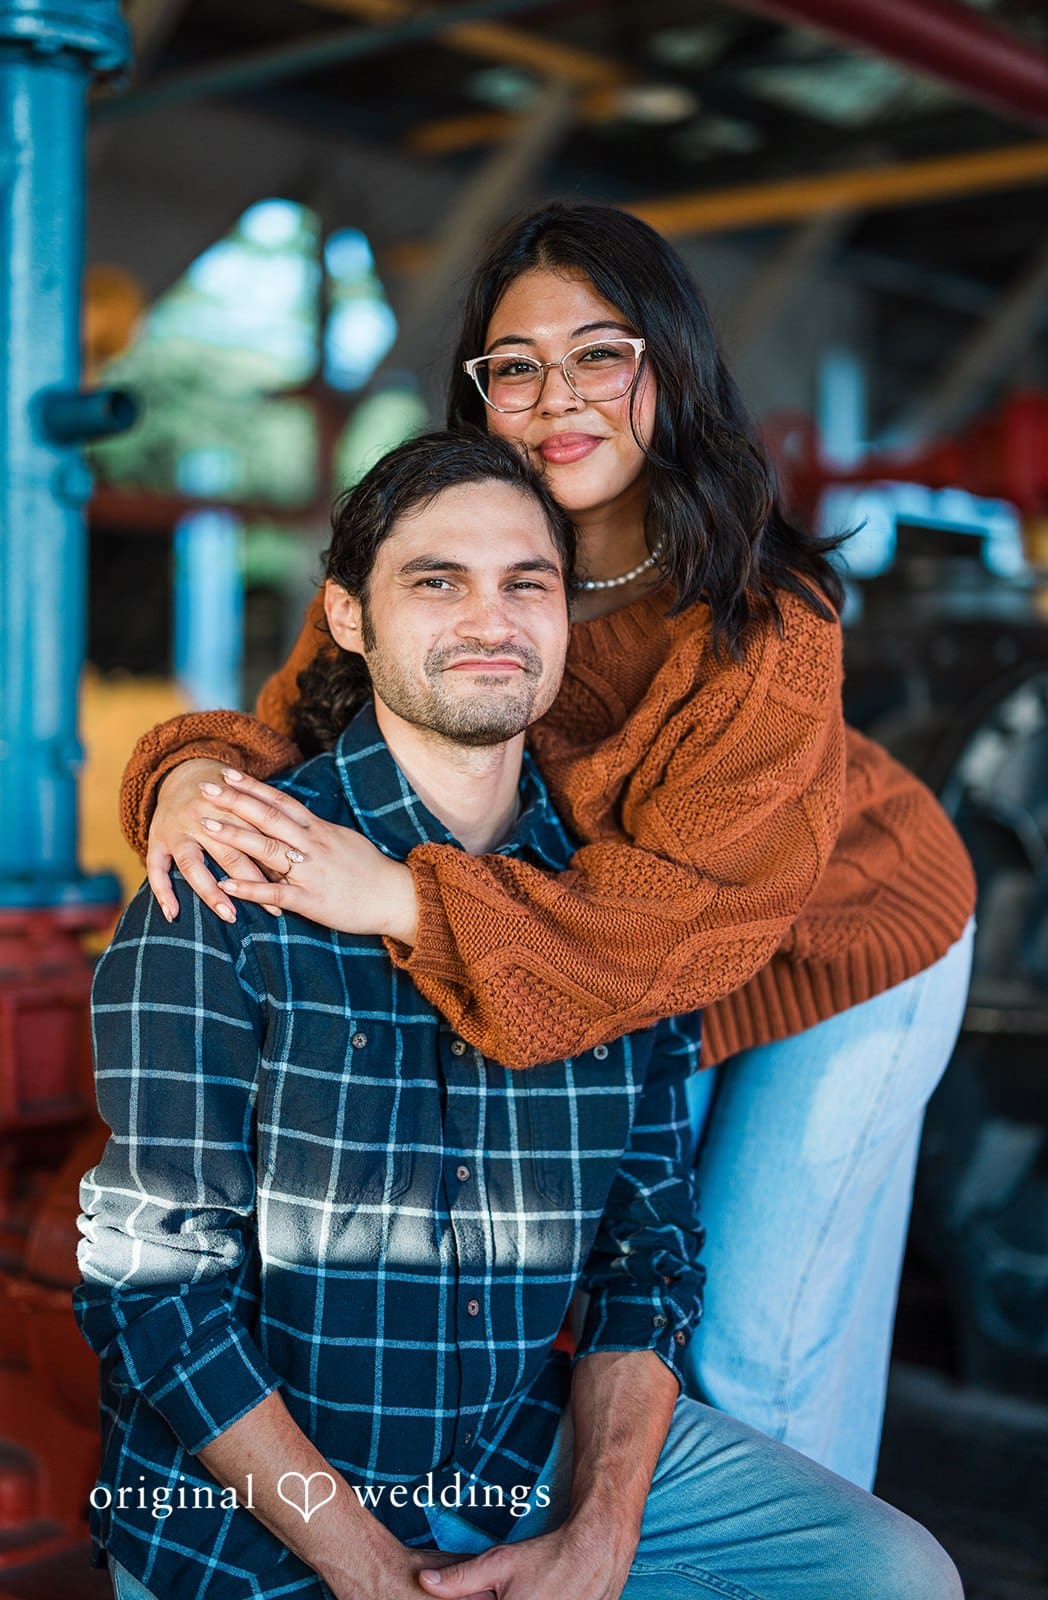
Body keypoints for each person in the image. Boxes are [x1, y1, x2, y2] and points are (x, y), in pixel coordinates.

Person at [117, 201, 976, 1492]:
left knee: (749, 1340)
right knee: (591, 1310)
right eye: (513, 365)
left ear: (668, 363)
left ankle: (788, 1564)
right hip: (608, 953)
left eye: (599, 353)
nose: (554, 397)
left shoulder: (760, 620)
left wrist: (402, 901)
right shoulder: (458, 559)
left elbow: (674, 920)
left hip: (842, 947)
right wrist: (190, 777)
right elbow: (292, 730)